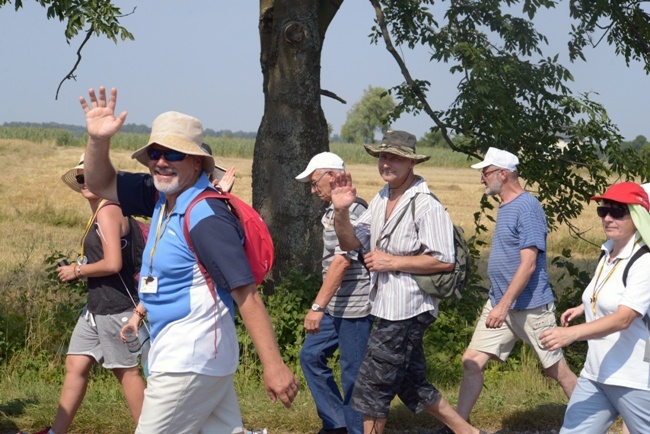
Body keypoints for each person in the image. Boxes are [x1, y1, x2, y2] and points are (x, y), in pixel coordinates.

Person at [79, 86, 299, 434]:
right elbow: (99, 181)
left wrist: (273, 366)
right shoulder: (160, 194)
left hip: (190, 358)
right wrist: (97, 140)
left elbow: (247, 294)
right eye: (155, 152)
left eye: (174, 154)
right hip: (190, 356)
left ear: (197, 162)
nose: (161, 161)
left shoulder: (205, 215)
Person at [330, 130, 487, 434]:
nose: (387, 163)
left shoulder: (425, 203)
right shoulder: (381, 197)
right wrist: (340, 211)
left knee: (372, 388)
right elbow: (352, 243)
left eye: (395, 158)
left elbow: (444, 260)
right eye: (383, 157)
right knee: (410, 383)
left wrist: (391, 261)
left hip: (408, 308)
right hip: (386, 306)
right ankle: (467, 432)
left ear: (411, 163)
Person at [436, 147, 577, 433]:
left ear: (503, 173)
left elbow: (528, 264)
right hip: (500, 303)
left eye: (486, 173)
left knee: (555, 370)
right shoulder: (506, 205)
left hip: (530, 307)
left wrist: (503, 306)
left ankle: (588, 422)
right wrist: (499, 304)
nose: (482, 179)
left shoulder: (527, 207)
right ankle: (458, 427)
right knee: (472, 361)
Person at [29, 154, 146, 434]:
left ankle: (150, 430)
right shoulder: (103, 210)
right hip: (96, 307)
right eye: (81, 177)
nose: (84, 181)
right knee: (75, 363)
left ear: (106, 178)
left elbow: (113, 264)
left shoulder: (107, 211)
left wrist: (77, 272)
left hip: (116, 306)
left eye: (91, 175)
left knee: (126, 372)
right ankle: (56, 431)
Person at [539, 182, 650, 434]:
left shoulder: (645, 261)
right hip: (596, 374)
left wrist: (571, 333)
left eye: (618, 212)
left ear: (637, 215)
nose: (608, 218)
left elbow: (624, 318)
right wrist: (583, 307)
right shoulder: (607, 253)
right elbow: (610, 294)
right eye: (603, 211)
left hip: (634, 378)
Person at [295, 152, 373, 434]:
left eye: (315, 183)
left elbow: (342, 261)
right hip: (336, 306)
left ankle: (353, 429)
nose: (313, 190)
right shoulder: (332, 211)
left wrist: (317, 306)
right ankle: (336, 422)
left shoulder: (353, 210)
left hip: (355, 306)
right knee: (311, 356)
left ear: (332, 176)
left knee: (353, 374)